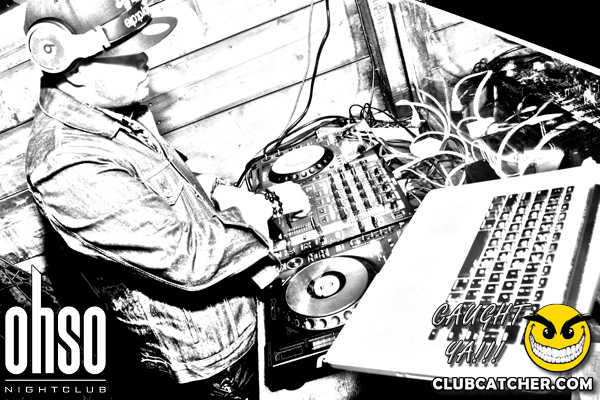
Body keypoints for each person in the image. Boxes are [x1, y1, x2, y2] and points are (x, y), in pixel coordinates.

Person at [23, 0, 309, 398]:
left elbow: (160, 182)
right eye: (127, 54)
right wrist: (268, 211)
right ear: (76, 72)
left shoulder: (109, 106)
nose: (145, 59)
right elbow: (187, 259)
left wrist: (216, 189)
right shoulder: (67, 164)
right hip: (218, 362)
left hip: (243, 306)